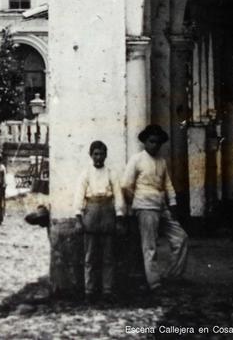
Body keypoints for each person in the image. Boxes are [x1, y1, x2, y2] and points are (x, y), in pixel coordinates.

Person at [121, 124, 188, 290]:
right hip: (145, 206)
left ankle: (173, 275)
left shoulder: (162, 162)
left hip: (161, 206)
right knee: (150, 245)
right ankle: (154, 282)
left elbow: (168, 185)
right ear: (145, 142)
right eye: (151, 141)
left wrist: (173, 204)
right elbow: (126, 185)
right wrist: (136, 202)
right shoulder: (137, 159)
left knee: (181, 238)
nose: (155, 145)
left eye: (158, 142)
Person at [73, 140, 126, 300]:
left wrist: (119, 217)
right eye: (95, 154)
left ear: (106, 155)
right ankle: (89, 290)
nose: (98, 157)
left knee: (108, 255)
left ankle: (107, 289)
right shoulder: (86, 173)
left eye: (101, 154)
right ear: (90, 155)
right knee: (90, 255)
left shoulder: (111, 173)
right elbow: (79, 196)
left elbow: (118, 195)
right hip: (91, 210)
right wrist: (78, 218)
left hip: (107, 211)